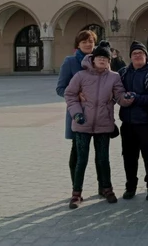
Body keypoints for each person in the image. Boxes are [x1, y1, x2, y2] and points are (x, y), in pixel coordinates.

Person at [64, 44, 133, 208]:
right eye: (99, 57)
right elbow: (70, 95)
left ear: (109, 61)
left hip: (103, 124)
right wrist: (76, 113)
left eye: (105, 58)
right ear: (93, 59)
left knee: (103, 159)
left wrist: (127, 98)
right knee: (81, 159)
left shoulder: (114, 77)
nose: (102, 60)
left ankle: (106, 188)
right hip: (83, 123)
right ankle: (76, 193)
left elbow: (119, 96)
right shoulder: (81, 76)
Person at [117, 41, 148, 200]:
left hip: (146, 122)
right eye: (134, 53)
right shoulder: (123, 73)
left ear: (145, 56)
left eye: (140, 53)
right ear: (130, 57)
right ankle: (130, 186)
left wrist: (137, 99)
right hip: (128, 122)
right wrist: (122, 99)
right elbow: (116, 92)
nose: (137, 56)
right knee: (129, 155)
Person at [55, 29, 96, 197]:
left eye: (90, 41)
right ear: (78, 44)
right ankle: (76, 187)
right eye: (84, 41)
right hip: (78, 114)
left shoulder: (100, 61)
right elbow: (60, 88)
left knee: (101, 153)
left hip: (99, 114)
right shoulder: (70, 62)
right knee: (78, 152)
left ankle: (103, 186)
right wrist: (76, 94)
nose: (87, 44)